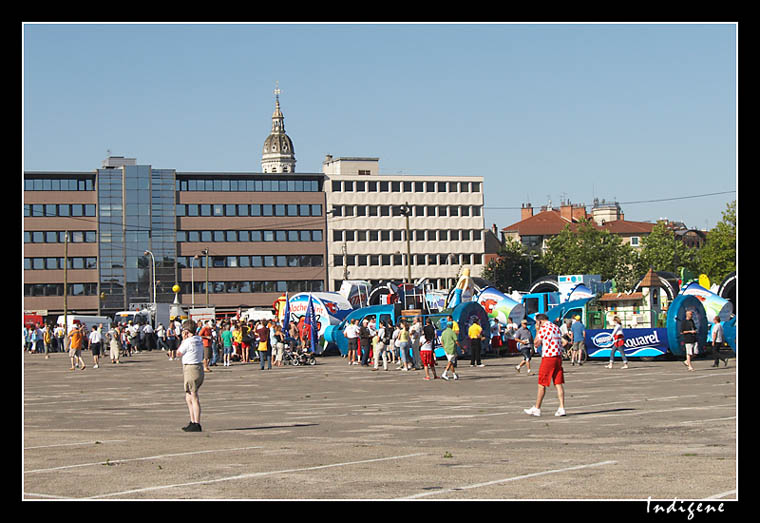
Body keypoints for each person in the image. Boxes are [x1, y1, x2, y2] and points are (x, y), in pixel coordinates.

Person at [524, 313, 566, 417]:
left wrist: (538, 330)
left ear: (539, 321)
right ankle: (561, 407)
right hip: (558, 356)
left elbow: (536, 343)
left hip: (548, 357)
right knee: (558, 382)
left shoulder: (544, 328)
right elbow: (562, 341)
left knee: (542, 384)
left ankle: (537, 408)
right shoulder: (556, 327)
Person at [176, 319, 204, 432]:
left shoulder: (188, 341)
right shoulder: (199, 339)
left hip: (191, 368)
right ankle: (192, 421)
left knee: (193, 396)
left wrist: (183, 340)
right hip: (197, 367)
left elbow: (179, 353)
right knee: (188, 396)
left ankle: (196, 422)